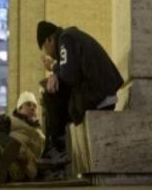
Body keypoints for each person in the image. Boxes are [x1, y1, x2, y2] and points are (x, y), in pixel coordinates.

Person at [36, 21, 124, 172]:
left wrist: (54, 68)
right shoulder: (70, 37)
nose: (48, 53)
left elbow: (69, 76)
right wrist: (56, 73)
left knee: (51, 93)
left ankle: (57, 149)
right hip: (99, 88)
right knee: (55, 92)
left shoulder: (65, 38)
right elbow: (71, 71)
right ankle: (56, 151)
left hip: (98, 92)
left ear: (49, 39)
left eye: (45, 48)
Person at [0, 91, 45, 184]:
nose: (32, 108)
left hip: (26, 164)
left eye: (35, 106)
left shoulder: (41, 134)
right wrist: (14, 147)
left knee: (18, 169)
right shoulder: (8, 120)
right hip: (7, 151)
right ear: (19, 109)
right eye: (28, 104)